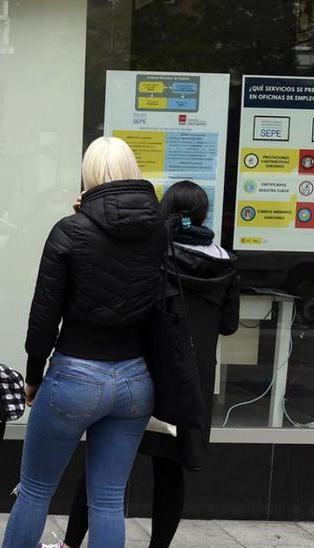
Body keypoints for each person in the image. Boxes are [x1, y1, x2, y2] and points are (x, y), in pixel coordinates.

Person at [54, 181, 240, 548]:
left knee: (104, 468)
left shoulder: (155, 255)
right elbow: (229, 325)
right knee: (170, 472)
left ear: (164, 211)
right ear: (204, 215)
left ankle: (71, 543)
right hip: (189, 382)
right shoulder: (227, 264)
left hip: (140, 371)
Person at [1, 136, 164, 548]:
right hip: (135, 379)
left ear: (88, 175)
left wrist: (33, 376)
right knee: (108, 500)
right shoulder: (159, 232)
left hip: (75, 374)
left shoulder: (70, 231)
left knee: (36, 490)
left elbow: (43, 319)